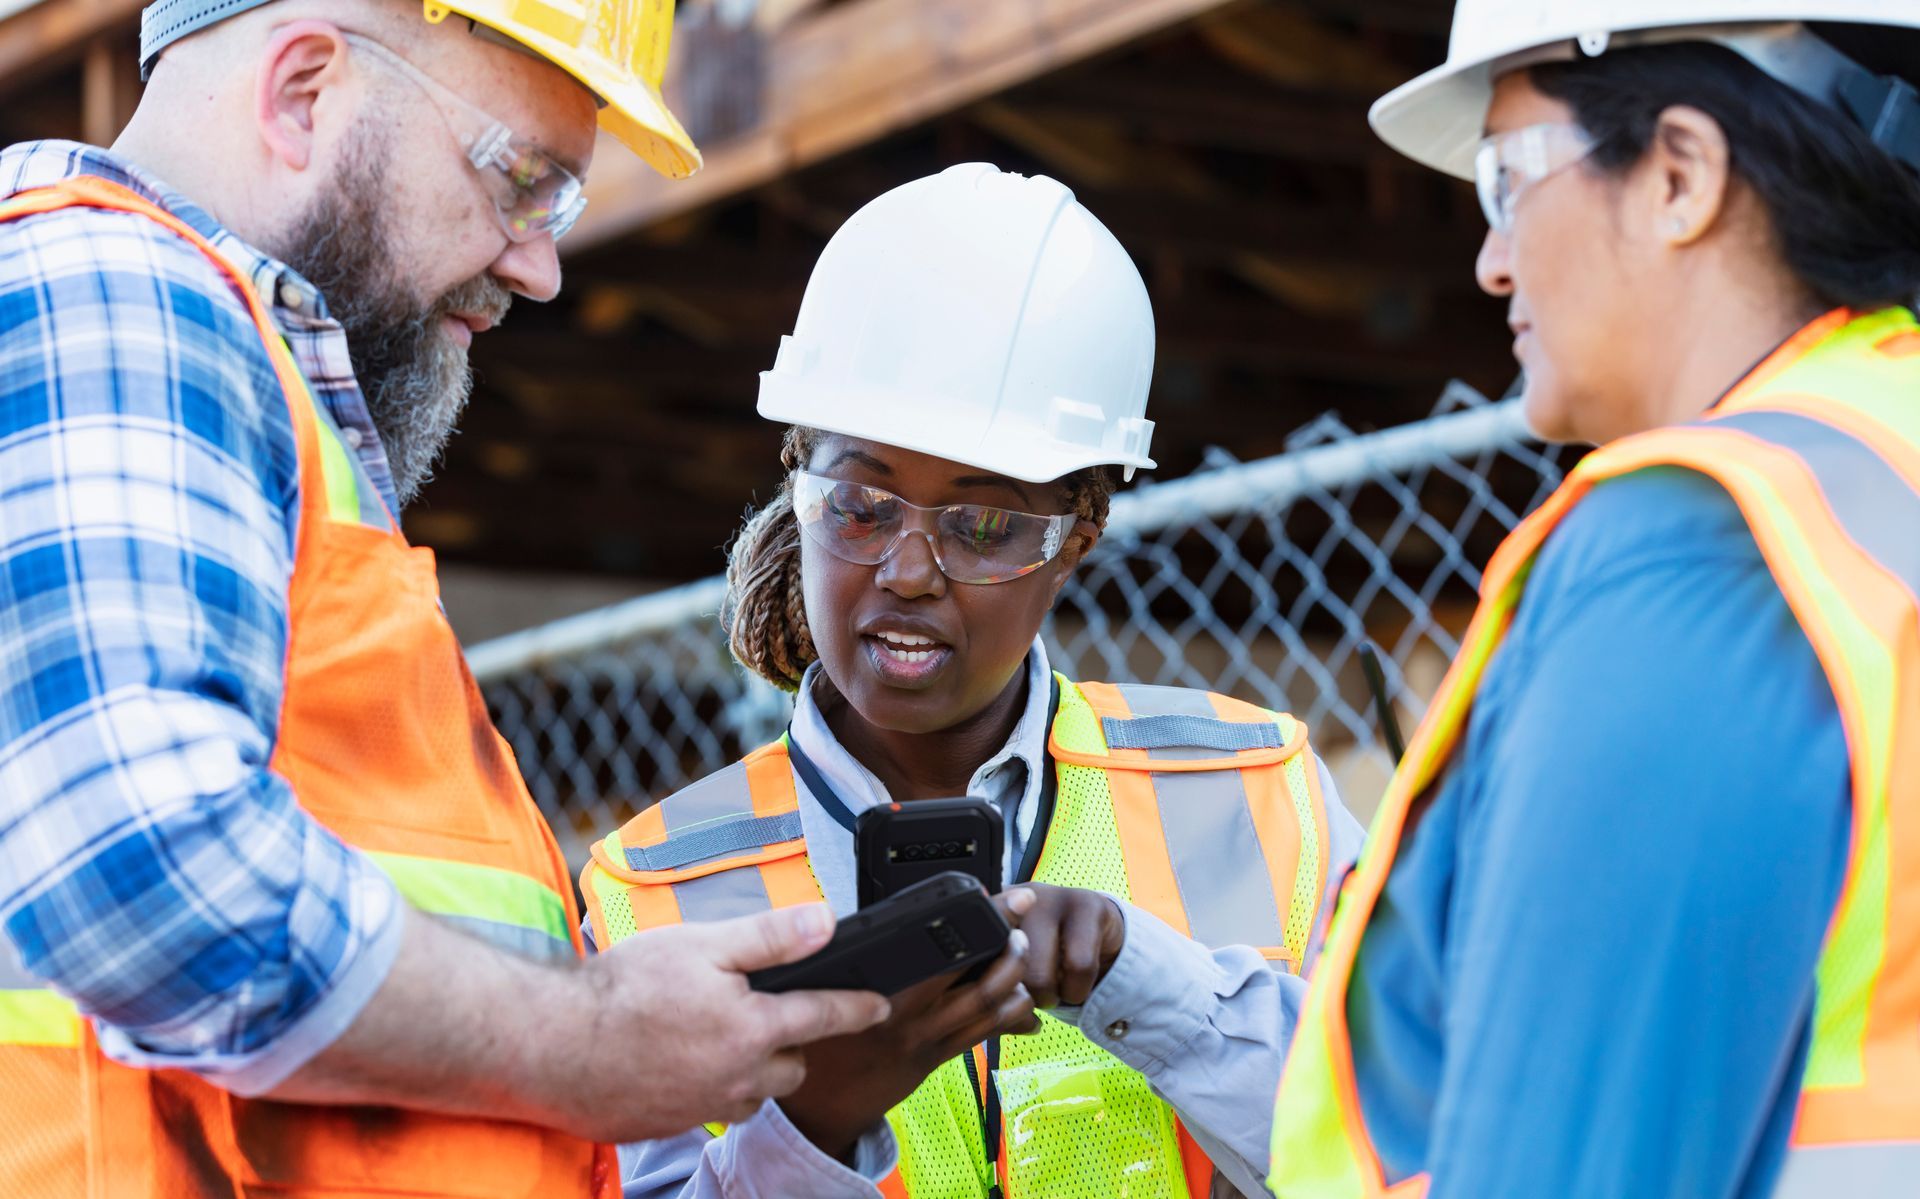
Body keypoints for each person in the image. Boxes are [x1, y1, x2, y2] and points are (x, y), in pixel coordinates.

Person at [0, 0, 889, 1193]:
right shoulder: (110, 287)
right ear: (302, 91)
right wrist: (589, 1038)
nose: (542, 263)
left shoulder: (193, 360)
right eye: (522, 179)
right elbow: (138, 871)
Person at [578, 163, 1365, 1198]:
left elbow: (1399, 1142)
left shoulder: (1259, 796)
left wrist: (1154, 986)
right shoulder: (653, 893)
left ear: (1078, 536)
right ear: (797, 483)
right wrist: (815, 1124)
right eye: (860, 503)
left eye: (984, 524)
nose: (908, 571)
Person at [1257, 3, 1920, 1197]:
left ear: (1679, 173)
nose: (1491, 258)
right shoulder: (1885, 471)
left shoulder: (1695, 542)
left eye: (1506, 176)